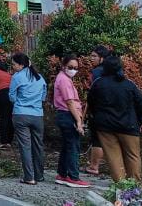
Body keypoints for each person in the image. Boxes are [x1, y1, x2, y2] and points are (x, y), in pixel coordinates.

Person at [87, 54, 142, 183]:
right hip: (128, 126)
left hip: (105, 126)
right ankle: (134, 186)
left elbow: (90, 102)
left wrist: (95, 117)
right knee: (133, 156)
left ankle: (121, 186)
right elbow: (140, 104)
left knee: (113, 157)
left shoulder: (98, 84)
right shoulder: (129, 84)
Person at [53, 53, 91, 189]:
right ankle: (73, 176)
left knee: (67, 146)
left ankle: (62, 174)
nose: (73, 70)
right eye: (70, 67)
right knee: (73, 146)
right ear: (64, 66)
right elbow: (69, 102)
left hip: (66, 114)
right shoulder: (64, 80)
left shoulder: (65, 78)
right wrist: (78, 120)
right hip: (68, 114)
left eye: (76, 67)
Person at [9, 52, 47, 186]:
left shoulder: (17, 77)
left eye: (14, 64)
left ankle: (29, 176)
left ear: (21, 65)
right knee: (38, 145)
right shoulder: (40, 77)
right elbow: (43, 97)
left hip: (21, 114)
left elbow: (12, 97)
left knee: (25, 146)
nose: (12, 67)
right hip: (37, 115)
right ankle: (39, 175)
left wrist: (20, 102)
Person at [84, 44, 113, 177]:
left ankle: (94, 166)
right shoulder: (112, 71)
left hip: (99, 110)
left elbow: (92, 93)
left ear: (102, 58)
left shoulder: (96, 73)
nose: (91, 58)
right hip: (113, 110)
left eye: (94, 56)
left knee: (97, 139)